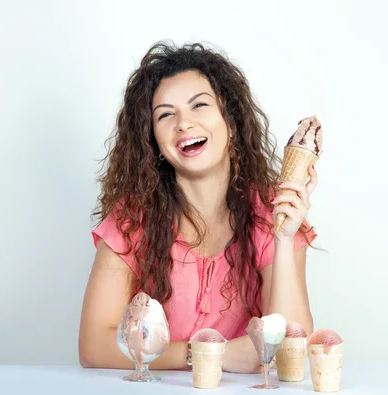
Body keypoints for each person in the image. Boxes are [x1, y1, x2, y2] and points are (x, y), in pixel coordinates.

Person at [78, 41, 319, 374]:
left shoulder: (270, 213)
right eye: (165, 114)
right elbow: (93, 346)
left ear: (231, 123)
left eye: (199, 106)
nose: (183, 123)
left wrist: (283, 238)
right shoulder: (132, 220)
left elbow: (291, 346)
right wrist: (207, 354)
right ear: (154, 143)